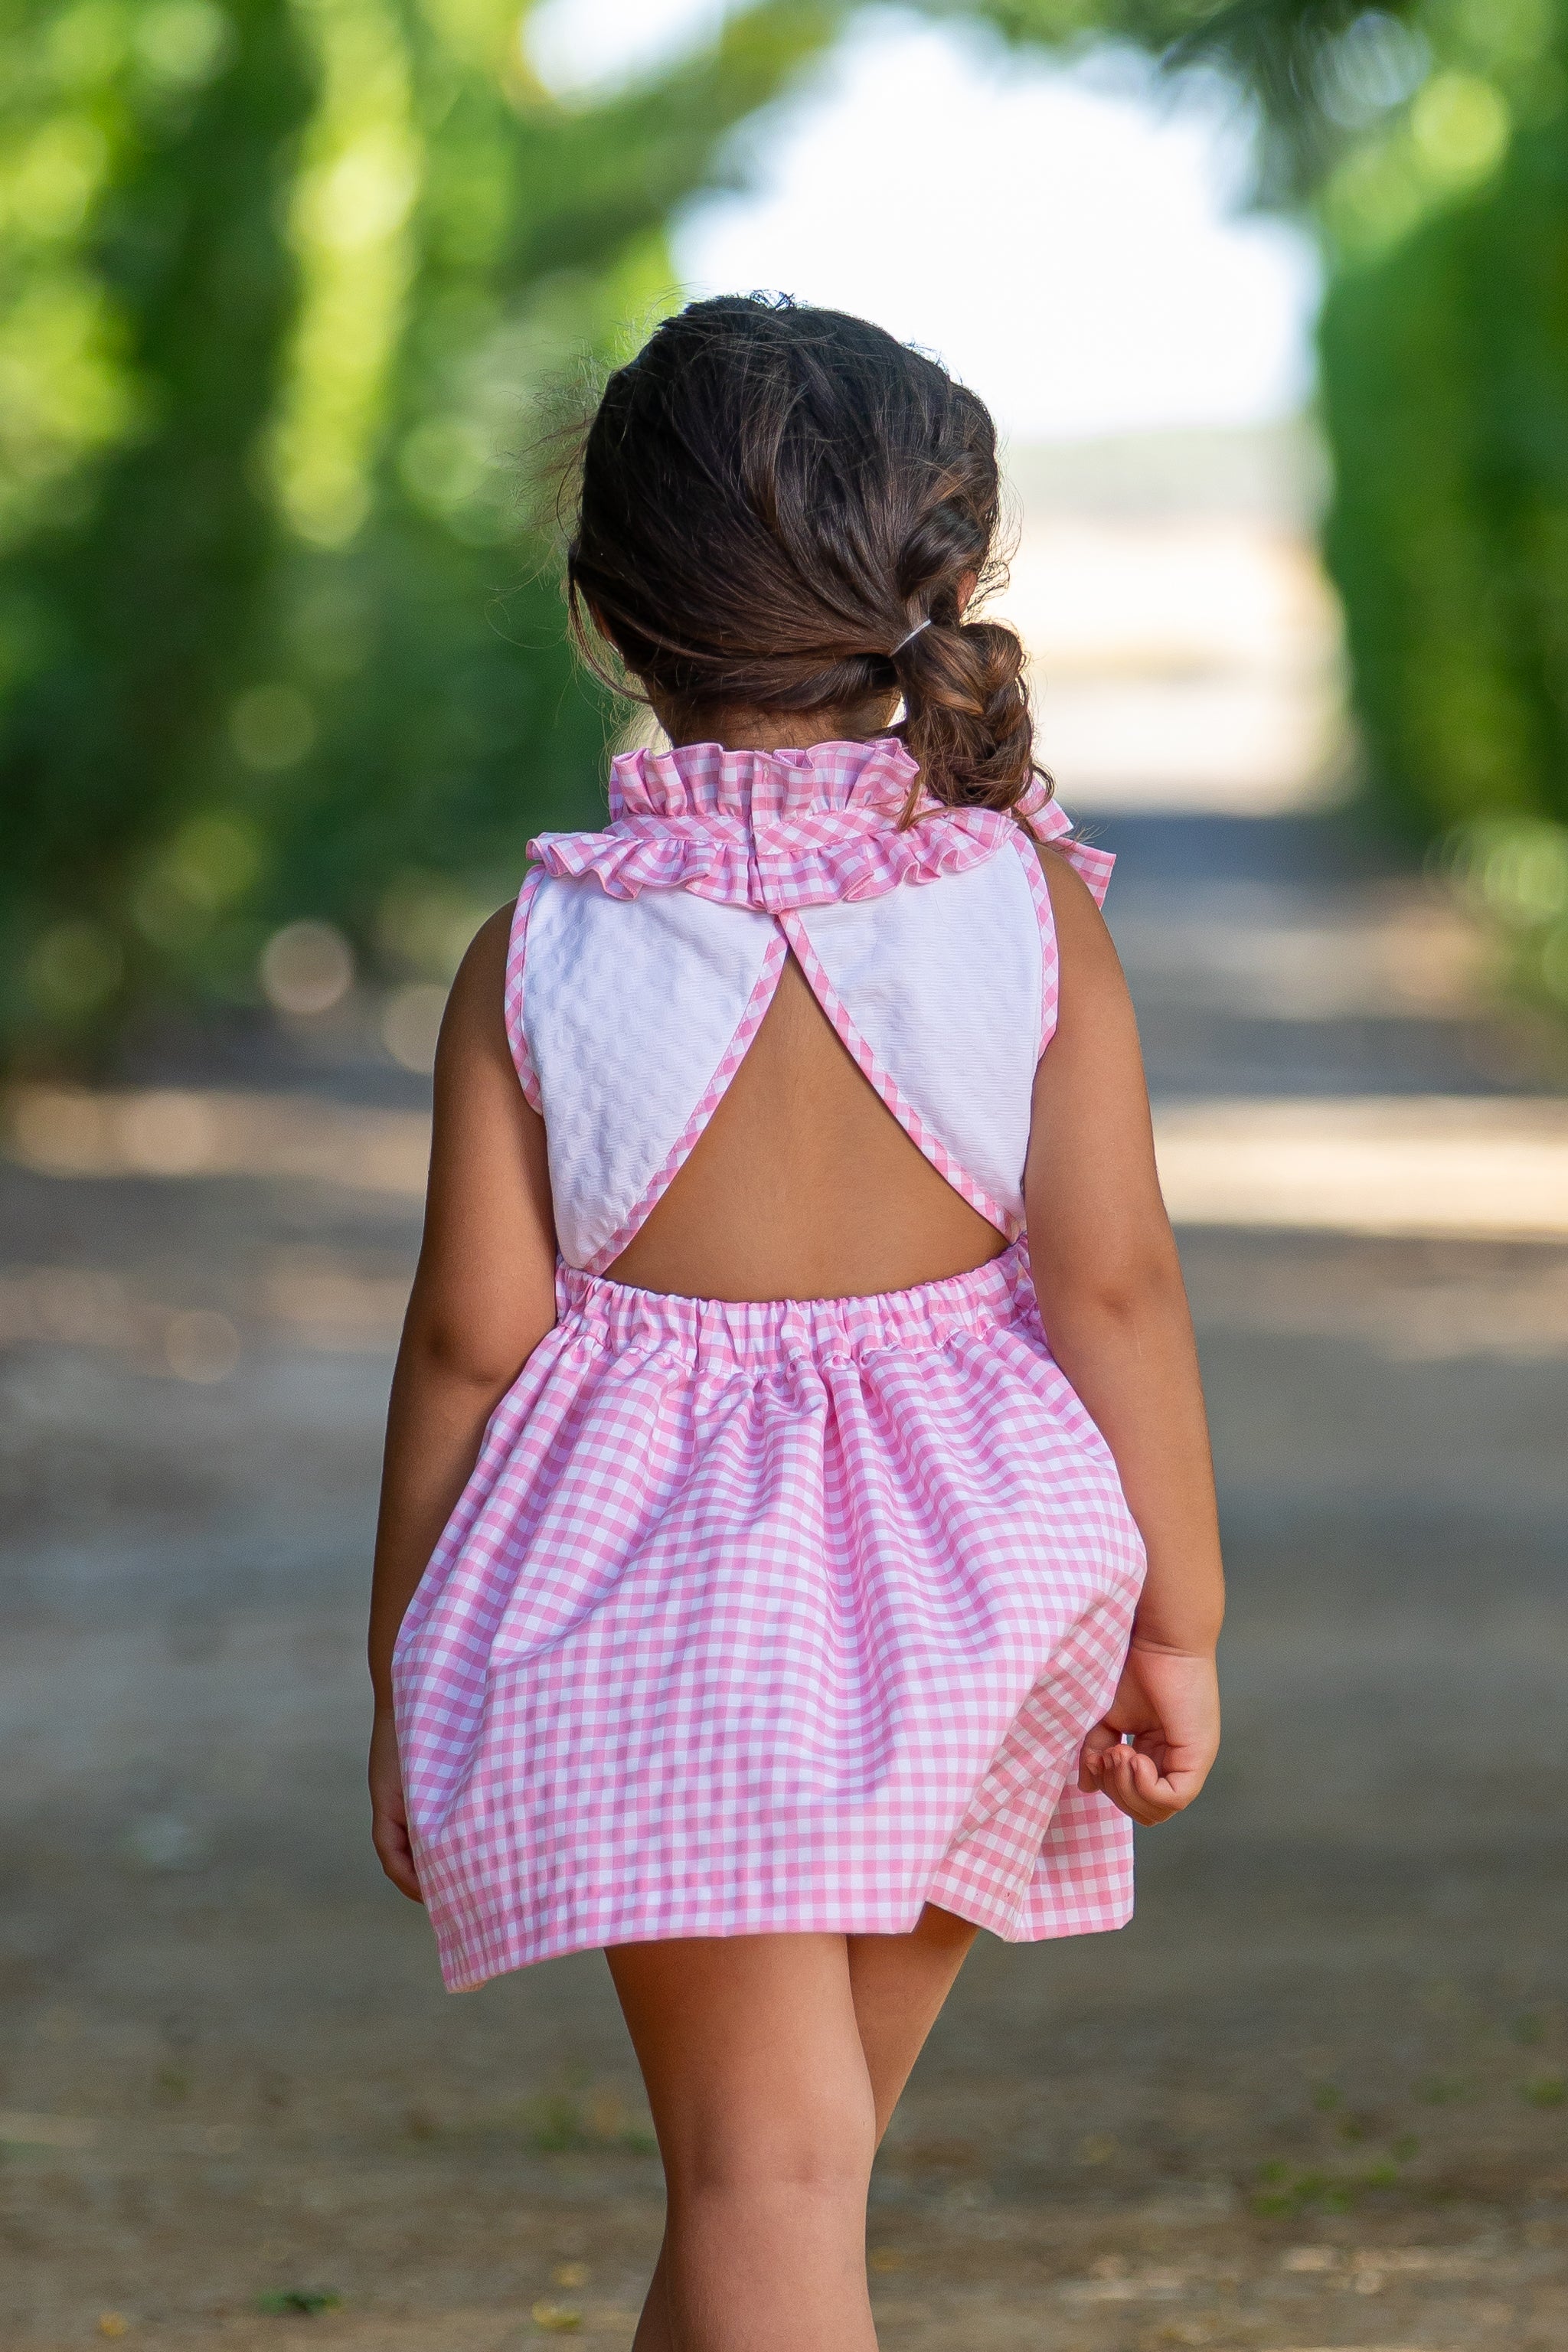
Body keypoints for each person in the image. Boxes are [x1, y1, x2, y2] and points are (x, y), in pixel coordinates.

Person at [367, 293, 1223, 2352]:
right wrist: (1179, 1618)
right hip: (984, 1606)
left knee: (765, 2179)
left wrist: (407, 1665)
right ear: (935, 574)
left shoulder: (545, 950)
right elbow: (1113, 1289)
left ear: (612, 605)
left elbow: (472, 1345)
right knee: (790, 2181)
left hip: (653, 1620)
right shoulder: (1025, 914)